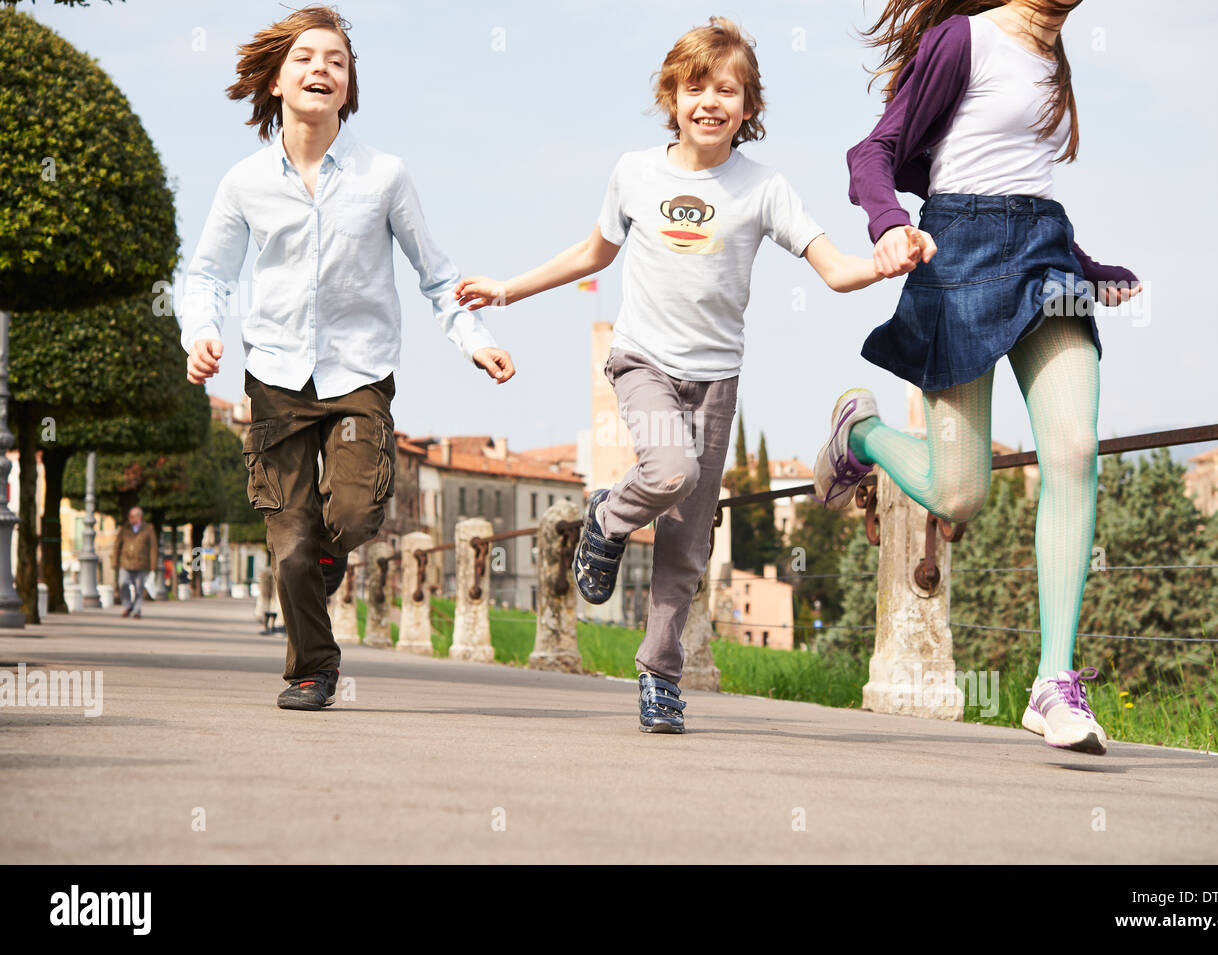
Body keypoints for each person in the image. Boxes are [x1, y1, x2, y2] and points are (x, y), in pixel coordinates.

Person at [456, 17, 925, 734]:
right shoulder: (635, 172)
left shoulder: (764, 188)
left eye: (728, 89)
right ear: (671, 96)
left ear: (748, 106)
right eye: (696, 86)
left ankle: (659, 677)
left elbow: (833, 271)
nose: (711, 100)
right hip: (642, 359)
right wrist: (507, 290)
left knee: (688, 541)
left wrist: (883, 262)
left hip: (715, 379)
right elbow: (592, 254)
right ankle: (607, 519)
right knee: (668, 469)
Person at [813, 0, 1142, 754]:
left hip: (1044, 255)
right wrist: (890, 223)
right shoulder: (962, 38)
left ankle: (1053, 680)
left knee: (1073, 449)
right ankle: (860, 433)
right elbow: (874, 150)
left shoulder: (1055, 56)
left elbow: (1025, 188)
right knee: (961, 491)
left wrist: (1092, 270)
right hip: (956, 252)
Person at [180, 5, 516, 710]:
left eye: (336, 61)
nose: (320, 70)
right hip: (273, 379)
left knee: (358, 512)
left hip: (359, 377)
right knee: (290, 541)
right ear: (276, 81)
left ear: (349, 85)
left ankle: (334, 557)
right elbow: (208, 274)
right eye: (304, 59)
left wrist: (476, 340)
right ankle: (313, 666)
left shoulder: (384, 176)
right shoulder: (245, 182)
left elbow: (435, 274)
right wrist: (201, 333)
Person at [114, 506, 157, 619]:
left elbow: (153, 548)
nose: (130, 518)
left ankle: (137, 610)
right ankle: (128, 606)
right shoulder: (125, 528)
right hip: (126, 562)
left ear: (139, 517)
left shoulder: (148, 529)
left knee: (139, 588)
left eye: (132, 516)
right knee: (122, 583)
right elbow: (117, 545)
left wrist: (153, 566)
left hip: (142, 564)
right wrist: (115, 561)